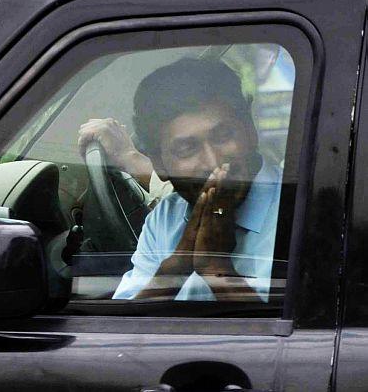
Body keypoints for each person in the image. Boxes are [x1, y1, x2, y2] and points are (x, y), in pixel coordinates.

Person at [78, 58, 282, 301]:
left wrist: (216, 270)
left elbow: (292, 336)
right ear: (159, 164)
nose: (212, 162)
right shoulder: (166, 217)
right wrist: (177, 264)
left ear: (249, 127)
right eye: (187, 149)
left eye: (224, 135)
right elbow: (130, 324)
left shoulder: (297, 213)